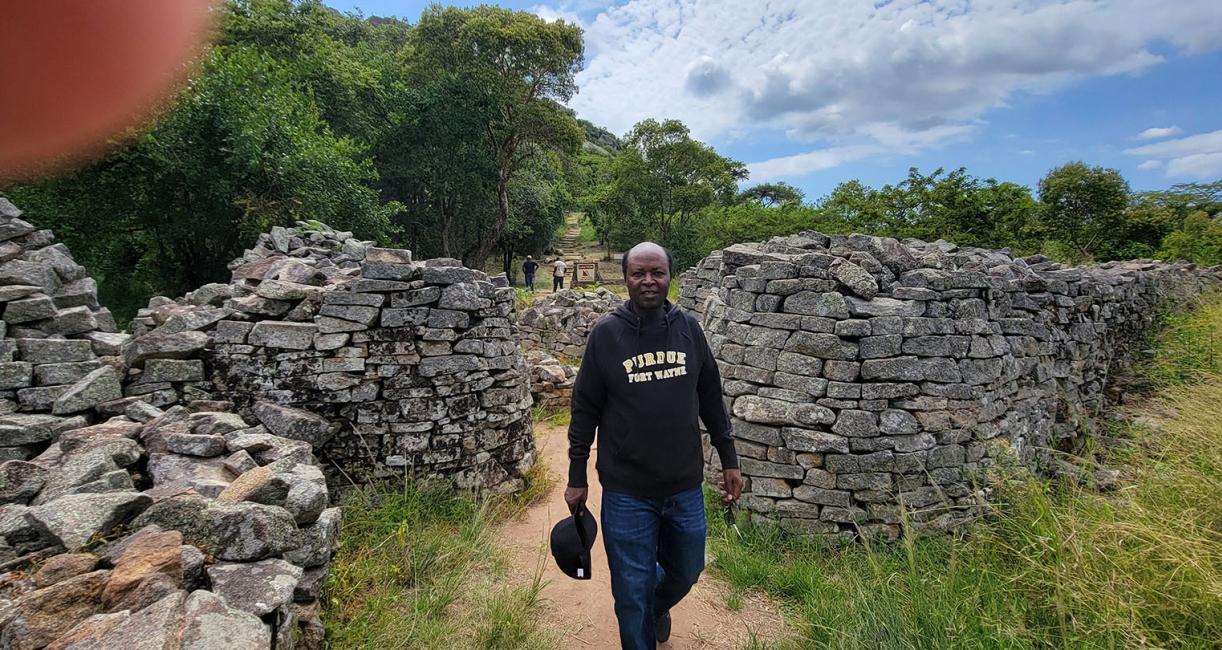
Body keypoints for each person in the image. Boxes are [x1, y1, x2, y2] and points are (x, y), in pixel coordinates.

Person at [565, 241, 742, 650]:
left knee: (687, 569)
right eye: (638, 273)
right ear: (625, 278)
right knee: (630, 591)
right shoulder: (607, 335)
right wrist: (577, 478)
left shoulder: (689, 330)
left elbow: (712, 399)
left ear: (669, 277)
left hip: (684, 486)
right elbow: (584, 411)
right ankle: (640, 619)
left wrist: (729, 458)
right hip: (626, 491)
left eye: (657, 273)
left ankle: (656, 605)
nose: (648, 281)